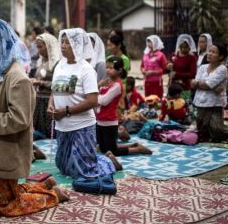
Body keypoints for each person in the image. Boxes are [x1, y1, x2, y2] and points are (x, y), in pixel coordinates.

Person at [0, 19, 66, 216]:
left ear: (0, 47)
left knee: (2, 206)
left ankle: (51, 195)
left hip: (3, 150)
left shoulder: (17, 78)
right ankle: (44, 186)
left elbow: (19, 120)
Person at [49, 28, 120, 184]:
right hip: (63, 125)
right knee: (64, 167)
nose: (63, 45)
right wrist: (50, 105)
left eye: (68, 42)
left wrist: (66, 111)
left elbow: (93, 101)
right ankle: (101, 157)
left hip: (81, 126)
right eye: (62, 41)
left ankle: (108, 162)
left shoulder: (85, 69)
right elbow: (54, 90)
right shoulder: (59, 66)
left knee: (83, 171)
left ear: (77, 45)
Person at [96, 56, 152, 157]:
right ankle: (132, 145)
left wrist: (93, 97)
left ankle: (137, 149)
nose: (107, 70)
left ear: (119, 70)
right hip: (100, 120)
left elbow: (103, 101)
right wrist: (99, 86)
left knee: (113, 152)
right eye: (107, 67)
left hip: (109, 122)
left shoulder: (117, 85)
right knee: (103, 148)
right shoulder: (105, 82)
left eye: (111, 68)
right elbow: (98, 97)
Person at [192, 43, 228, 142]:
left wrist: (201, 84)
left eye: (213, 52)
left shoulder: (222, 69)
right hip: (200, 103)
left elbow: (207, 84)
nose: (210, 54)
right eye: (209, 51)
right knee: (202, 131)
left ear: (221, 56)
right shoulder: (202, 67)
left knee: (217, 131)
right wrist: (209, 86)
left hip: (215, 104)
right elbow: (196, 84)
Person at [30, 33, 60, 138]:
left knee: (49, 132)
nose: (38, 50)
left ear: (49, 46)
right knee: (38, 131)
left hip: (49, 101)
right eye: (37, 47)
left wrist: (41, 83)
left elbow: (58, 85)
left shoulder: (56, 63)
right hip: (39, 101)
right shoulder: (41, 61)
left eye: (40, 47)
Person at [167, 34, 197, 100]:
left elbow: (193, 74)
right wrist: (168, 67)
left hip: (184, 87)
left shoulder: (191, 57)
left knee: (182, 106)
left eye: (185, 47)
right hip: (172, 86)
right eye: (181, 47)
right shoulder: (174, 55)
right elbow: (166, 70)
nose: (183, 49)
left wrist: (177, 74)